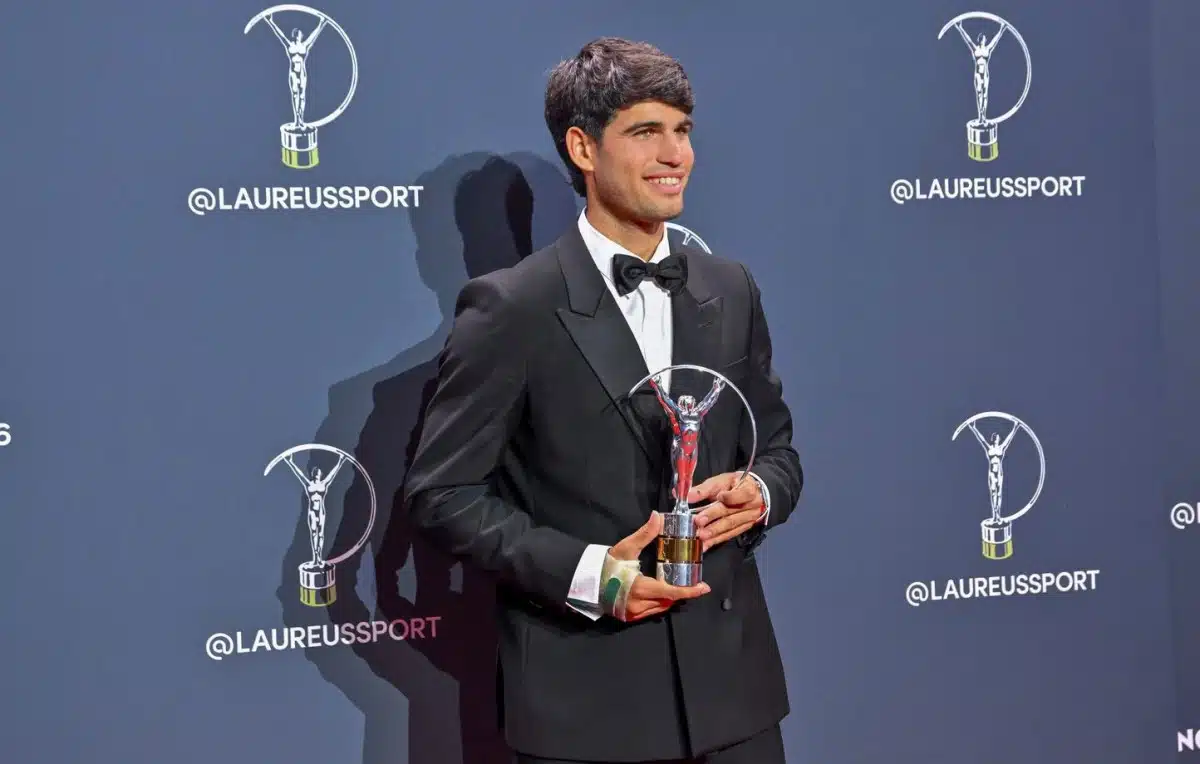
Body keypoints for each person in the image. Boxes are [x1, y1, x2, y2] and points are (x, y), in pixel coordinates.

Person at [401, 37, 803, 763]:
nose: (675, 153)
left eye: (682, 130)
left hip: (736, 702)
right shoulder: (513, 307)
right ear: (583, 148)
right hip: (588, 710)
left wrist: (761, 492)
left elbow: (776, 448)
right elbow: (444, 494)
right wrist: (593, 575)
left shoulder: (730, 288)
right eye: (646, 132)